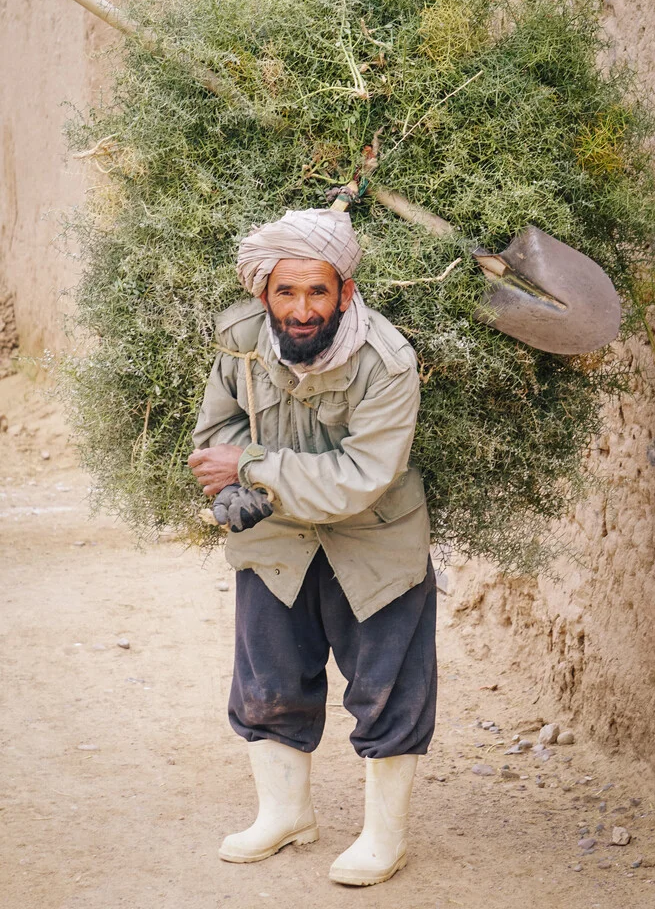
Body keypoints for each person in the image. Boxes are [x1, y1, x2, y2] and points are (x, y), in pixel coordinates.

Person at [188, 207, 436, 887]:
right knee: (266, 677)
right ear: (263, 292)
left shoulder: (386, 360)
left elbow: (359, 481)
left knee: (388, 689)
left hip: (375, 541)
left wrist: (249, 468)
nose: (302, 311)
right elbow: (215, 433)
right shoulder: (239, 338)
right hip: (275, 538)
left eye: (318, 292)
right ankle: (285, 813)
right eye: (286, 292)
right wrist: (229, 478)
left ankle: (384, 837)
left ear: (345, 292)